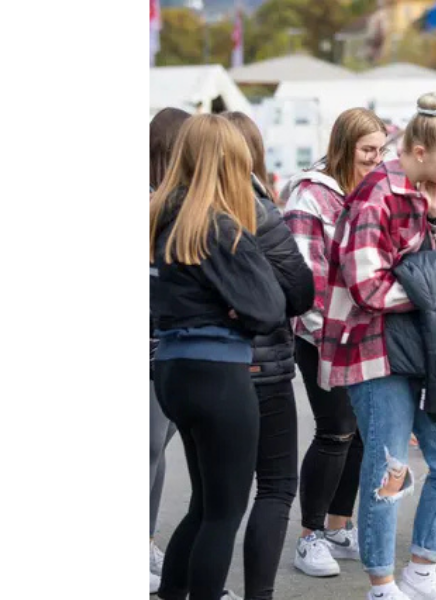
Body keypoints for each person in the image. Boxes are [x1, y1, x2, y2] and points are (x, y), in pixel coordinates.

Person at [318, 92, 436, 600]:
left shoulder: (421, 192)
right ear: (419, 149)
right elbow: (366, 286)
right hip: (373, 349)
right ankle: (382, 585)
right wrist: (433, 293)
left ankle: (421, 572)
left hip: (423, 352)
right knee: (388, 466)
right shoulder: (374, 195)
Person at [149, 114, 288, 600]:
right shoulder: (223, 228)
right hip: (219, 373)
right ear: (231, 163)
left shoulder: (164, 218)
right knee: (224, 511)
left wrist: (239, 306)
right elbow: (271, 306)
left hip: (173, 369)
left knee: (205, 506)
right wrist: (238, 309)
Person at [282, 107, 389, 578]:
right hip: (321, 335)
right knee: (335, 430)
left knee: (361, 434)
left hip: (364, 333)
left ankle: (338, 526)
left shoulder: (368, 191)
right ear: (344, 147)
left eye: (381, 151)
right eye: (368, 151)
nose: (376, 160)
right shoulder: (309, 197)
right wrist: (327, 332)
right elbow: (303, 279)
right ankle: (310, 538)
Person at [223, 112, 317, 600]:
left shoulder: (178, 209)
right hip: (264, 371)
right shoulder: (258, 208)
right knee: (276, 486)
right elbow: (302, 289)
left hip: (204, 368)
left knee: (215, 501)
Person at [149, 106, 190, 595]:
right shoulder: (152, 203)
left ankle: (147, 539)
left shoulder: (172, 202)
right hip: (154, 347)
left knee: (156, 451)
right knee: (148, 449)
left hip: (169, 347)